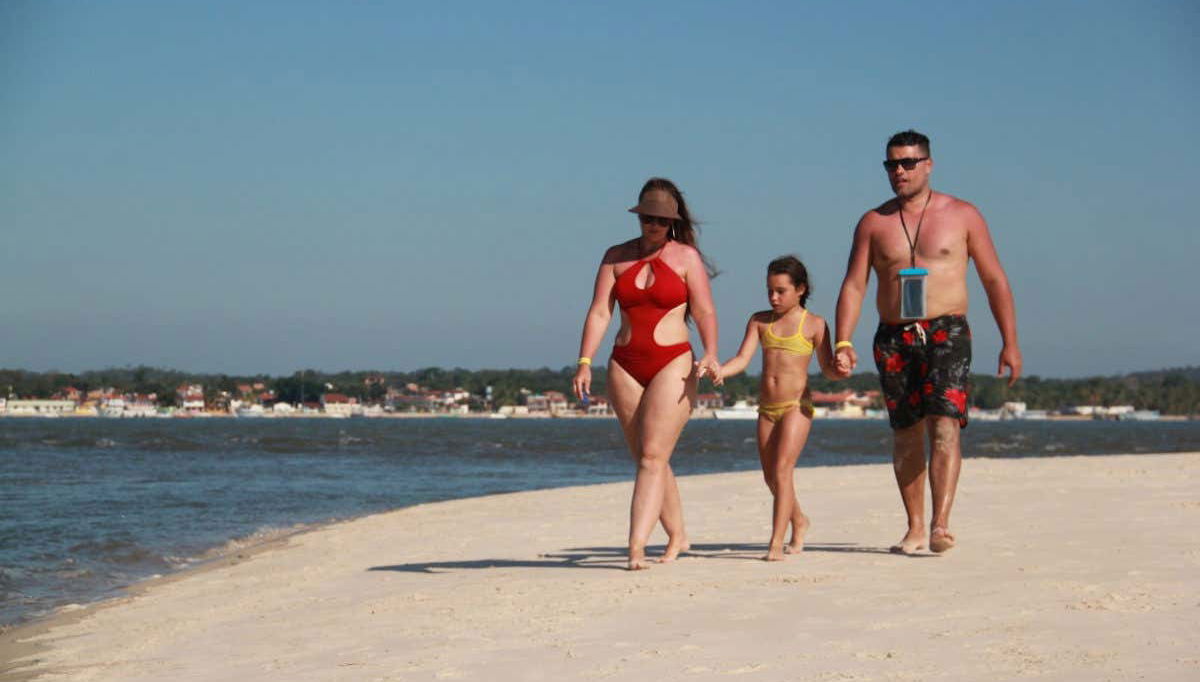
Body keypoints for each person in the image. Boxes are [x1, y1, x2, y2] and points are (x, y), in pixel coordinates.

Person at [833, 130, 1022, 554]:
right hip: (893, 336)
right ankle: (915, 526)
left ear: (928, 165)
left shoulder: (964, 215)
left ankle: (940, 524)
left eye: (908, 163)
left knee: (944, 423)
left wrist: (1009, 341)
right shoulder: (873, 222)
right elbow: (854, 285)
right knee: (905, 432)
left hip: (946, 331)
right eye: (891, 164)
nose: (899, 171)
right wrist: (843, 340)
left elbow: (994, 279)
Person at [572, 178, 720, 570]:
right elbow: (600, 312)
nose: (653, 225)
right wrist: (585, 361)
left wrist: (711, 353)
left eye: (661, 220)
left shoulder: (686, 258)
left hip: (673, 361)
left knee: (653, 456)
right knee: (647, 455)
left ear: (672, 221)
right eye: (647, 218)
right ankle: (678, 534)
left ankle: (635, 547)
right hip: (624, 363)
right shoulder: (615, 257)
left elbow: (704, 310)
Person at [712, 256, 838, 561]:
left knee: (782, 471)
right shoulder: (760, 321)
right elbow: (742, 359)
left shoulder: (815, 325)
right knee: (771, 477)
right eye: (769, 290)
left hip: (796, 405)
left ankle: (776, 543)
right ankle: (799, 520)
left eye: (781, 291)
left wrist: (842, 367)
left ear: (800, 289)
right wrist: (720, 370)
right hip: (767, 407)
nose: (773, 297)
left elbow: (828, 369)